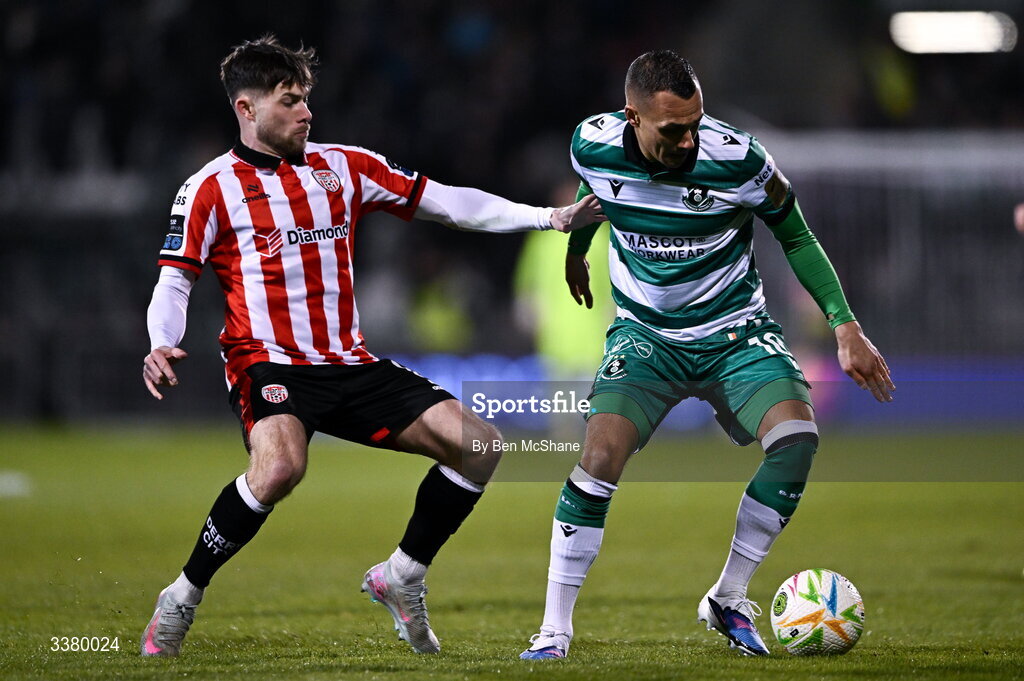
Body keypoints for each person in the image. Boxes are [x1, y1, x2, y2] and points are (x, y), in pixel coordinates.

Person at [139, 35, 604, 658]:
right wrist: (161, 342)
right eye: (290, 101)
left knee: (481, 446)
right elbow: (175, 278)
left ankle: (402, 574)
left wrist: (547, 217)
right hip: (267, 361)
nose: (307, 112)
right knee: (280, 467)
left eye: (307, 99)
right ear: (246, 109)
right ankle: (181, 597)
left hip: (350, 363)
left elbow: (446, 203)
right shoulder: (209, 189)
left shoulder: (344, 166)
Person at [519, 50, 894, 660]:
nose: (689, 139)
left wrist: (843, 323)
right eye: (672, 130)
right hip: (646, 336)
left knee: (797, 438)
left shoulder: (740, 159)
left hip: (734, 333)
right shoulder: (590, 144)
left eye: (695, 122)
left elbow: (795, 234)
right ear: (630, 118)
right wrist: (574, 251)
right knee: (598, 456)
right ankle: (555, 630)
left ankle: (728, 596)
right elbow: (595, 196)